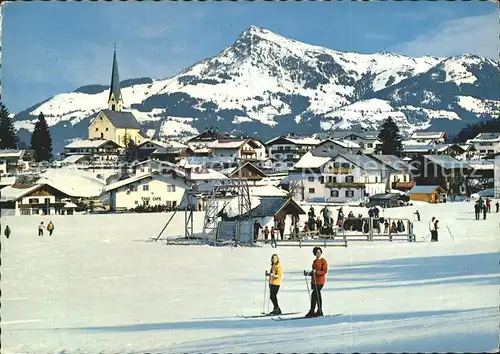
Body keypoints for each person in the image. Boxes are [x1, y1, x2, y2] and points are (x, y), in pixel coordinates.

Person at [304, 246, 328, 318]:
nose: (318, 253)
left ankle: (316, 310)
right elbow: (313, 272)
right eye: (317, 252)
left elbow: (324, 271)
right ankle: (316, 310)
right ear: (315, 253)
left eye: (319, 252)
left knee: (315, 294)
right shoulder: (314, 262)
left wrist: (316, 272)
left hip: (320, 281)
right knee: (315, 295)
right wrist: (308, 274)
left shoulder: (323, 261)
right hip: (315, 281)